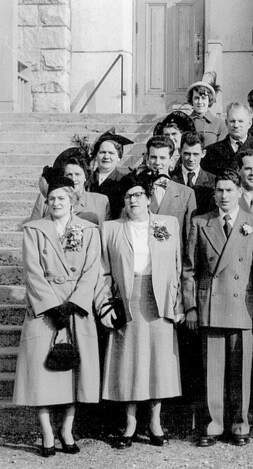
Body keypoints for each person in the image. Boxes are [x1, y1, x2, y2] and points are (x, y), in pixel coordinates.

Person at [13, 175, 101, 458]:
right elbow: (32, 270)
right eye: (51, 199)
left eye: (62, 198)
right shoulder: (34, 229)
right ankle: (47, 431)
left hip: (75, 309)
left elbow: (92, 270)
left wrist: (74, 303)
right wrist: (51, 306)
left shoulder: (88, 229)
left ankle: (66, 429)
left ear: (73, 200)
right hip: (45, 310)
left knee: (74, 372)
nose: (56, 203)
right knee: (42, 373)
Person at [97, 173, 184, 449]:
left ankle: (155, 422)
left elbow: (177, 267)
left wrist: (178, 303)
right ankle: (131, 422)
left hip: (159, 298)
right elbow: (104, 271)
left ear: (148, 199)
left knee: (158, 360)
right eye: (128, 196)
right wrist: (105, 304)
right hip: (127, 297)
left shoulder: (167, 223)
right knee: (129, 361)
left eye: (138, 195)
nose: (133, 200)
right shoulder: (110, 228)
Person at [182, 169, 253, 447]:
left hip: (243, 303)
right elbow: (189, 270)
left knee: (241, 371)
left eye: (230, 190)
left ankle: (240, 424)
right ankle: (212, 424)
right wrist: (191, 307)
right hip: (210, 305)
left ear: (240, 192)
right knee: (212, 370)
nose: (224, 195)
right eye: (219, 190)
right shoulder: (200, 223)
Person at [31, 148, 110, 225]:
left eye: (77, 174)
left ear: (85, 176)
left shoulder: (101, 201)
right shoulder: (45, 200)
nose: (73, 179)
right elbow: (33, 229)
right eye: (69, 175)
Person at [143, 135, 197, 247]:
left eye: (162, 158)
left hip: (172, 258)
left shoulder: (186, 194)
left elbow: (189, 236)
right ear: (147, 158)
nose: (157, 162)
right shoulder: (138, 191)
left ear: (171, 160)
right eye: (153, 157)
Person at [201, 102, 253, 178]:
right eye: (232, 121)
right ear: (226, 123)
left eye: (241, 121)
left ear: (250, 123)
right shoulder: (211, 152)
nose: (236, 125)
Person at [87, 129, 133, 219]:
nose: (106, 156)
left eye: (111, 153)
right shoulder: (87, 179)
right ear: (96, 156)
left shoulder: (124, 181)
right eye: (102, 152)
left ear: (119, 157)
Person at [170, 131, 216, 216]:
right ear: (180, 151)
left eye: (195, 154)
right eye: (187, 154)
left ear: (203, 153)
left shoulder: (213, 181)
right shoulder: (170, 178)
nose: (191, 159)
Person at [187, 80, 228, 147]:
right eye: (196, 98)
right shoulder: (185, 121)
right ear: (192, 100)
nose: (200, 102)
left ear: (209, 100)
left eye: (203, 98)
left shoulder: (220, 124)